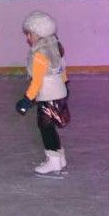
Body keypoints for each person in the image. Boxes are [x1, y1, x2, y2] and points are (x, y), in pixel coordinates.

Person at [15, 11, 69, 177]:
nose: (28, 38)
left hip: (47, 95)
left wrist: (26, 100)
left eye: (29, 34)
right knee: (51, 128)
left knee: (46, 128)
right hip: (59, 93)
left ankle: (53, 161)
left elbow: (37, 82)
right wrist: (65, 85)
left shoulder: (39, 53)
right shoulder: (55, 46)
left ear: (38, 33)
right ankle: (59, 158)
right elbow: (63, 69)